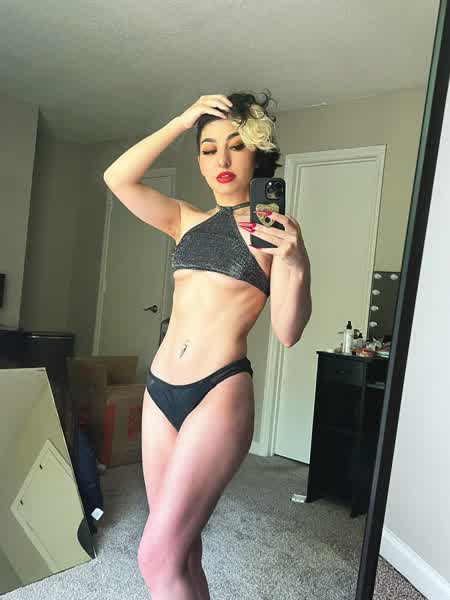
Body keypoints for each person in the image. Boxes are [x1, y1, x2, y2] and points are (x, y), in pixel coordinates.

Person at [103, 90, 312, 600]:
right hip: (159, 393)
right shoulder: (184, 220)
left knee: (155, 557)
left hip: (218, 393)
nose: (221, 160)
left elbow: (288, 332)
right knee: (182, 552)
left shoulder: (272, 231)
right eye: (208, 148)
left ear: (257, 156)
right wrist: (180, 122)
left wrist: (296, 264)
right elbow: (117, 178)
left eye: (236, 146)